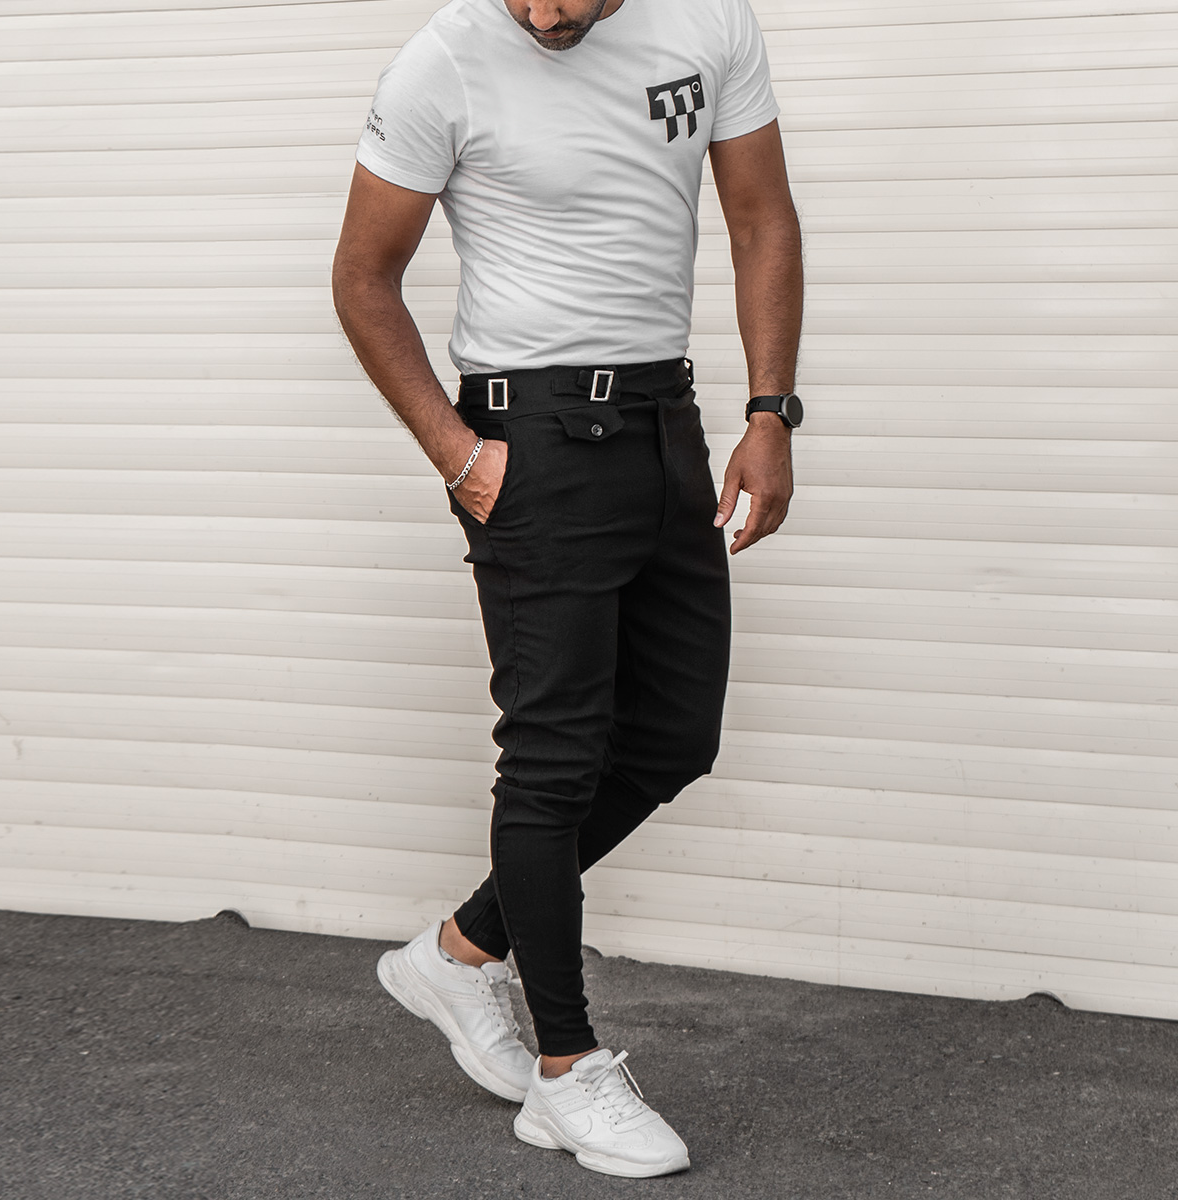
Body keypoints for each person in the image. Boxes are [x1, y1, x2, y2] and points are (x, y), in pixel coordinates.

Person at [332, 0, 803, 1178]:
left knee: (675, 737)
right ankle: (565, 1070)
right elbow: (362, 277)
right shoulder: (443, 62)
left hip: (664, 422)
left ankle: (459, 952)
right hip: (530, 436)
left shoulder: (711, 25)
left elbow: (760, 216)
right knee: (552, 754)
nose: (546, 14)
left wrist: (769, 412)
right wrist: (460, 457)